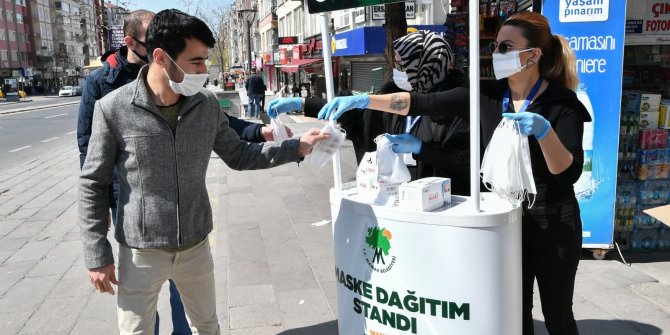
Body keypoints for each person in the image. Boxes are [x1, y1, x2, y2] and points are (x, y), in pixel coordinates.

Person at [318, 12, 589, 335]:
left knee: (558, 316)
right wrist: (363, 101)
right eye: (496, 45)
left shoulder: (562, 103)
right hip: (506, 217)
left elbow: (567, 172)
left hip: (552, 220)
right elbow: (419, 102)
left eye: (505, 47)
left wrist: (545, 132)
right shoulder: (486, 95)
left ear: (533, 55)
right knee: (515, 313)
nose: (496, 53)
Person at [78, 9, 327, 334]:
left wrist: (296, 148)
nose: (204, 71)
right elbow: (92, 183)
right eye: (195, 61)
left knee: (206, 327)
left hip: (195, 246)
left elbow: (239, 154)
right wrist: (97, 253)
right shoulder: (113, 109)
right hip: (140, 251)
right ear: (161, 57)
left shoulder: (205, 105)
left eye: (205, 60)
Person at [267, 31, 471, 193]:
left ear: (424, 65)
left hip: (439, 205)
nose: (396, 69)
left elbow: (463, 164)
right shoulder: (390, 96)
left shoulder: (455, 103)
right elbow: (349, 111)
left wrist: (422, 148)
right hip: (396, 200)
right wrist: (299, 103)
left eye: (402, 63)